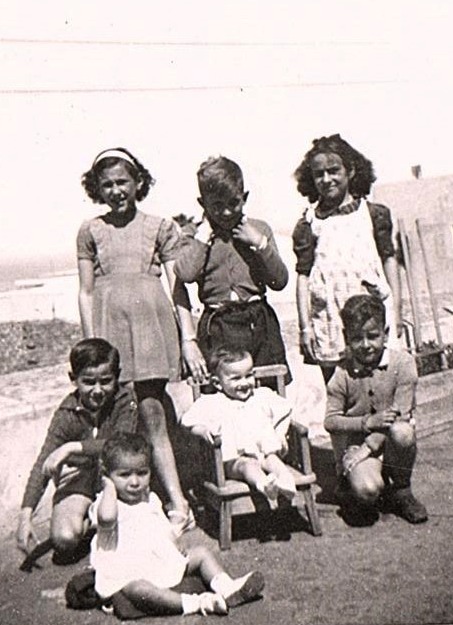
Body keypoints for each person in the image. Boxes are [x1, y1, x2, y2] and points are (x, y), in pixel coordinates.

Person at [78, 147, 206, 530]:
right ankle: (122, 511)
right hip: (110, 332)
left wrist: (188, 338)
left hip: (151, 330)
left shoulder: (160, 226)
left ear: (138, 183)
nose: (116, 190)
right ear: (97, 188)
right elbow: (86, 292)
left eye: (123, 182)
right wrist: (91, 348)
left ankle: (179, 502)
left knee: (153, 415)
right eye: (107, 185)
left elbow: (178, 286)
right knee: (116, 420)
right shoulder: (90, 231)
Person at [89, 431, 265, 617]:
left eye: (142, 473)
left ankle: (226, 587)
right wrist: (108, 486)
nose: (135, 482)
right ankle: (197, 603)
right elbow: (107, 519)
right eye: (124, 475)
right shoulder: (106, 503)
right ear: (107, 475)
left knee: (201, 554)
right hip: (128, 571)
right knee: (139, 589)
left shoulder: (150, 499)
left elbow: (160, 525)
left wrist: (173, 540)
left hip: (157, 561)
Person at [292, 134, 402, 383]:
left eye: (333, 171)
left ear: (350, 171)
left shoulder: (373, 214)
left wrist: (396, 309)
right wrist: (305, 327)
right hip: (331, 319)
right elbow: (303, 276)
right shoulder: (309, 223)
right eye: (319, 174)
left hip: (372, 315)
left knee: (382, 383)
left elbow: (389, 260)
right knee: (340, 388)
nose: (326, 179)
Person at [16, 338, 139, 562]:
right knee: (64, 539)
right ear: (73, 379)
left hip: (113, 477)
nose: (98, 390)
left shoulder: (124, 400)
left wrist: (72, 448)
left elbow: (120, 443)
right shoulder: (67, 413)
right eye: (89, 382)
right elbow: (43, 462)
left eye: (106, 381)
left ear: (117, 376)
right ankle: (91, 521)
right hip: (81, 479)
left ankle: (105, 518)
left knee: (136, 531)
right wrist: (26, 516)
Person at [174, 155, 291, 387]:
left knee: (268, 390)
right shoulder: (194, 235)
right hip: (218, 326)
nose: (227, 212)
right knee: (221, 390)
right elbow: (185, 273)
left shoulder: (259, 229)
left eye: (233, 203)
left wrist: (260, 244)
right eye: (217, 205)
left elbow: (280, 280)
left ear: (244, 197)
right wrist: (203, 239)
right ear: (202, 203)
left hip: (259, 322)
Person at [324, 294, 428, 525]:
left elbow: (401, 414)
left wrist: (368, 447)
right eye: (356, 338)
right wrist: (366, 423)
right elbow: (330, 421)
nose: (365, 345)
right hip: (357, 446)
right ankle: (355, 485)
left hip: (389, 443)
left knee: (403, 431)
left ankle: (402, 489)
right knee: (368, 490)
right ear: (346, 337)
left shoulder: (403, 364)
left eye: (372, 336)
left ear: (386, 333)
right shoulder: (342, 373)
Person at [181, 346, 296, 503]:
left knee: (273, 459)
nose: (244, 383)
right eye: (236, 378)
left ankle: (286, 482)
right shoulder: (212, 402)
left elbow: (285, 410)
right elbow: (187, 422)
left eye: (248, 375)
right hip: (233, 461)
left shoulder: (261, 396)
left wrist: (280, 433)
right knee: (247, 465)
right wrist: (202, 430)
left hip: (263, 453)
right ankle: (264, 485)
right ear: (217, 383)